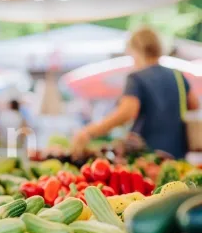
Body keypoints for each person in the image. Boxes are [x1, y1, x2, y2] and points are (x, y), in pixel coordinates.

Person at [72, 27, 199, 159]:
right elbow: (194, 105)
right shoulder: (177, 75)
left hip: (148, 156)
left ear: (136, 50)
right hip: (178, 153)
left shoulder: (136, 78)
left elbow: (126, 113)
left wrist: (89, 132)